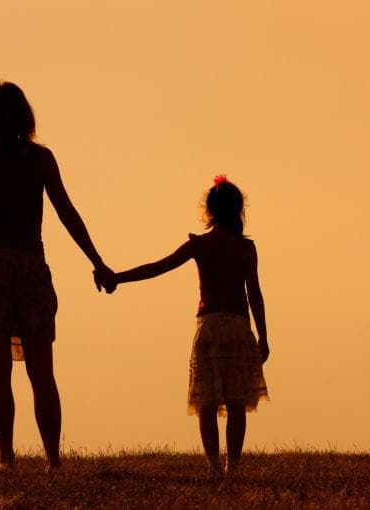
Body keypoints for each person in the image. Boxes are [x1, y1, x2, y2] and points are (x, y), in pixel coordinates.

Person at [0, 82, 114, 471]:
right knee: (42, 372)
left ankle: (7, 458)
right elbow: (67, 212)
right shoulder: (39, 159)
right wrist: (97, 260)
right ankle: (52, 459)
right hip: (31, 269)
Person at [110, 175, 269, 480]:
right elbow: (255, 294)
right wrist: (263, 335)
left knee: (206, 402)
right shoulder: (246, 249)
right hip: (237, 327)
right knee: (236, 403)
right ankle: (232, 469)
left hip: (208, 327)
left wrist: (118, 277)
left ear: (209, 211)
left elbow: (158, 267)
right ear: (238, 210)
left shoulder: (201, 245)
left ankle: (213, 468)